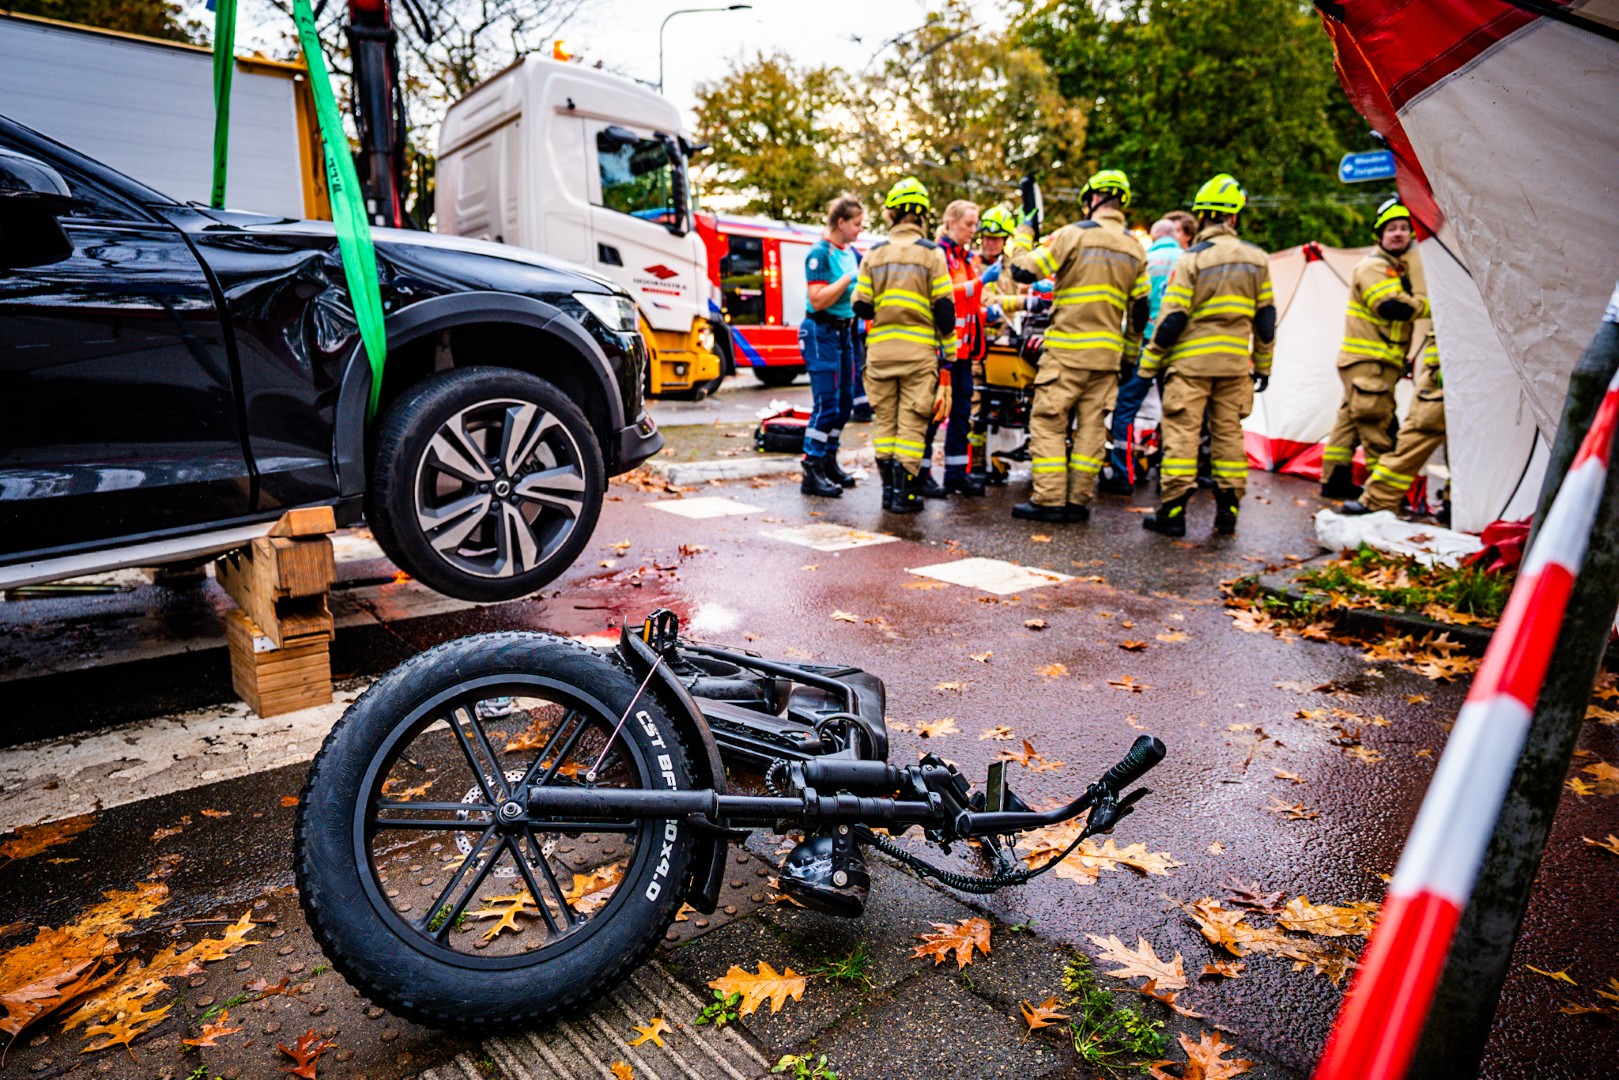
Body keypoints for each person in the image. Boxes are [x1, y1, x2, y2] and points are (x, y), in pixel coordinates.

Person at [1007, 169, 1150, 523]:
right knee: (1091, 427)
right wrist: (1130, 355)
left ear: (1092, 199)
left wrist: (1024, 233)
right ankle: (1077, 502)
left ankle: (1049, 499)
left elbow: (1023, 271)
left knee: (1049, 422)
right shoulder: (1134, 247)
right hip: (1107, 358)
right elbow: (1141, 307)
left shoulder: (1073, 235)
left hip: (1067, 352)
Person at [1138, 173, 1275, 537]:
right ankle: (1228, 512)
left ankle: (1173, 514)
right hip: (1234, 367)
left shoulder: (1191, 259)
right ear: (1233, 218)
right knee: (1229, 435)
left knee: (1182, 435)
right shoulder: (1257, 259)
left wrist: (1149, 363)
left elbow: (1173, 318)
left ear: (1202, 216)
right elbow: (1265, 320)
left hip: (1191, 366)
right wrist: (1263, 366)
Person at [852, 177, 956, 513]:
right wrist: (950, 355)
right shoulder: (932, 254)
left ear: (893, 213)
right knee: (912, 423)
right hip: (918, 355)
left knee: (885, 423)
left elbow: (861, 306)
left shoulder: (874, 253)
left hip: (881, 353)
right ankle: (904, 495)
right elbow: (945, 311)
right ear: (922, 214)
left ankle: (886, 492)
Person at [1321, 198, 1430, 499]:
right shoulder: (1374, 267)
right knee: (1377, 427)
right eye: (1391, 228)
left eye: (1404, 228)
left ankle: (1335, 481)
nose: (1398, 233)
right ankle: (1380, 497)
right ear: (1378, 236)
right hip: (1370, 361)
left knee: (1349, 422)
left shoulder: (1394, 268)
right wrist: (1431, 306)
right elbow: (1391, 306)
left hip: (1371, 361)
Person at [1100, 211, 1195, 494]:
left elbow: (1135, 306)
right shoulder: (1189, 260)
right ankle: (1171, 478)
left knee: (1126, 408)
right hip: (1179, 347)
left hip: (1145, 344)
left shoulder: (1145, 260)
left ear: (1153, 236)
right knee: (1176, 412)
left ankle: (1123, 474)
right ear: (1174, 235)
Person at [919, 200, 990, 498]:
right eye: (968, 224)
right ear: (950, 222)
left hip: (965, 351)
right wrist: (978, 284)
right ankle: (921, 474)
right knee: (934, 414)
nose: (973, 231)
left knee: (962, 413)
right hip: (943, 351)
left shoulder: (965, 258)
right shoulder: (940, 255)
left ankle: (956, 474)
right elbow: (942, 295)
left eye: (975, 225)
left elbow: (971, 307)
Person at [799, 195, 867, 497]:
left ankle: (829, 460)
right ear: (841, 222)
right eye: (856, 224)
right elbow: (817, 298)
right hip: (821, 332)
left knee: (845, 403)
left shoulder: (852, 252)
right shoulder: (820, 254)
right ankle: (811, 467)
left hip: (846, 333)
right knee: (826, 404)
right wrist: (850, 278)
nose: (859, 230)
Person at [1342, 333, 1446, 517]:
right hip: (1447, 372)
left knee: (1415, 436)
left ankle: (1379, 500)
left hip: (1443, 374)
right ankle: (1453, 504)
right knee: (1466, 446)